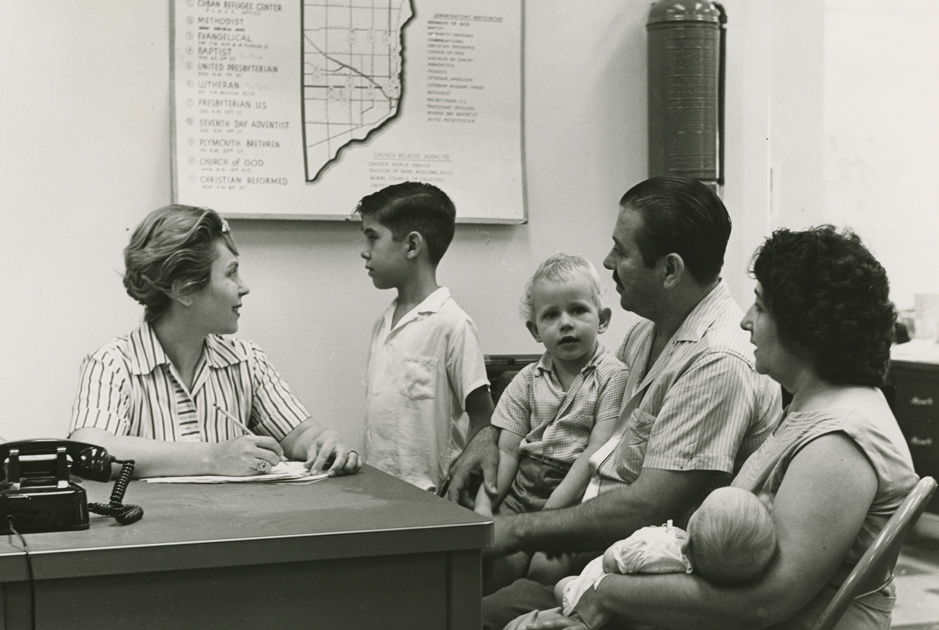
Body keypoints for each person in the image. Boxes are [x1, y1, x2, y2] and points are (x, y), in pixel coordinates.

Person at [506, 225, 919, 630]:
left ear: (803, 323)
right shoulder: (816, 407)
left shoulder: (838, 441)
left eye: (759, 306)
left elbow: (764, 603)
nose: (745, 322)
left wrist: (606, 593)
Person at [444, 176, 783, 630]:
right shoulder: (647, 332)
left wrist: (515, 530)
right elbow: (583, 417)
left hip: (632, 581)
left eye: (621, 251)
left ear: (669, 270)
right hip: (584, 553)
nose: (608, 262)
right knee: (440, 597)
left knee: (461, 617)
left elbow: (645, 507)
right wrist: (490, 435)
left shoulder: (716, 361)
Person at [69, 205, 361, 479]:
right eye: (231, 273)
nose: (244, 287)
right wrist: (213, 456)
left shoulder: (248, 360)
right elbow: (88, 452)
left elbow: (300, 436)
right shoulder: (112, 363)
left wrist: (323, 442)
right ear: (184, 290)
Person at [475, 253, 628, 592]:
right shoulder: (527, 379)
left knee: (545, 571)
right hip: (520, 490)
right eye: (551, 315)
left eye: (577, 310)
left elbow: (596, 450)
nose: (565, 323)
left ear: (601, 319)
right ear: (535, 330)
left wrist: (549, 516)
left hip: (572, 494)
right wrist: (486, 508)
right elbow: (509, 451)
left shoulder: (613, 375)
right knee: (492, 563)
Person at [356, 181, 494, 493]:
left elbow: (482, 416)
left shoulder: (453, 324)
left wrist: (460, 482)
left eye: (372, 238)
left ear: (412, 246)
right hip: (381, 492)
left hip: (433, 497)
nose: (364, 252)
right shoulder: (382, 323)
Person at [556, 486, 776, 621]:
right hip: (636, 615)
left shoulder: (660, 548)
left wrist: (618, 547)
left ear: (686, 545)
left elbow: (609, 563)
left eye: (700, 510)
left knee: (562, 585)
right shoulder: (712, 573)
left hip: (588, 599)